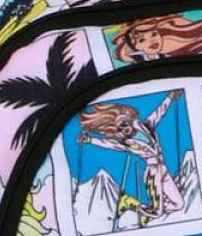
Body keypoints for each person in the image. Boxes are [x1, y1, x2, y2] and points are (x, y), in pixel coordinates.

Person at [76, 92, 183, 225]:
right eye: (120, 128)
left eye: (124, 124)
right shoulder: (125, 143)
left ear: (130, 121)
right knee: (157, 211)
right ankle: (129, 202)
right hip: (153, 172)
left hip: (163, 169)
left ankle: (147, 214)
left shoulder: (147, 126)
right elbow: (107, 143)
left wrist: (170, 97)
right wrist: (89, 140)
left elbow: (159, 112)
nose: (124, 128)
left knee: (178, 204)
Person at [111, 13, 202, 63]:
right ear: (135, 47)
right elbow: (121, 55)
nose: (152, 40)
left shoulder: (170, 54)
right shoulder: (138, 57)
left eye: (154, 34)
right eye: (141, 40)